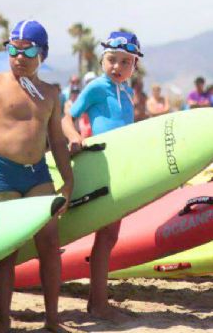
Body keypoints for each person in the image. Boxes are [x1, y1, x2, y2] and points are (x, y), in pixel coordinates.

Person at [0, 20, 74, 332]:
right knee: (7, 250)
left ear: (42, 53)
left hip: (38, 174)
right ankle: (4, 321)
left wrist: (68, 180)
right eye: (13, 50)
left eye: (27, 50)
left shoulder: (50, 93)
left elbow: (57, 140)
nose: (19, 57)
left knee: (49, 244)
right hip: (2, 172)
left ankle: (52, 319)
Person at [62, 31, 143, 321]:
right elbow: (67, 115)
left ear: (134, 65)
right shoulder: (97, 87)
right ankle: (98, 304)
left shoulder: (128, 93)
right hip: (101, 165)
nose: (117, 67)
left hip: (120, 167)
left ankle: (98, 301)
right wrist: (74, 137)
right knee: (106, 235)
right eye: (112, 60)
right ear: (101, 59)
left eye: (125, 62)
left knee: (110, 236)